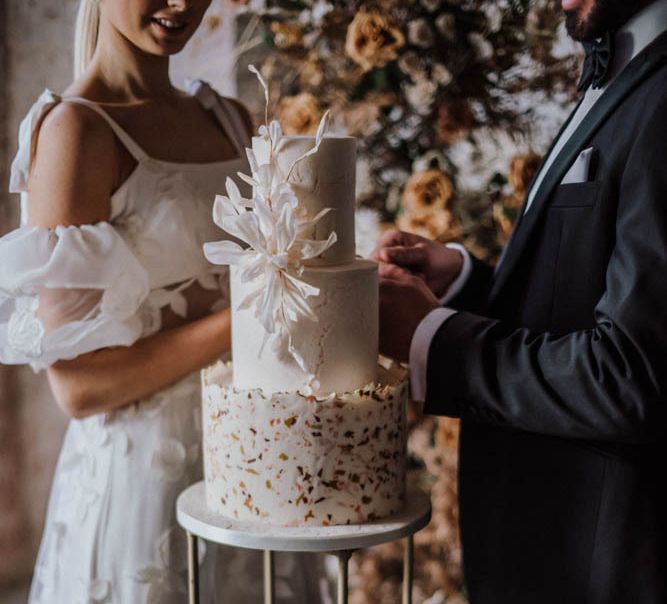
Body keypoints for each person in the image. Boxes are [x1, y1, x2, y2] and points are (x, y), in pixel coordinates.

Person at [0, 0, 324, 602]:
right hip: (144, 485)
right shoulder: (77, 130)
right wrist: (246, 321)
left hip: (256, 466)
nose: (182, 5)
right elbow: (80, 387)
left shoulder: (230, 117)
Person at [374, 0, 667, 602]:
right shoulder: (622, 62)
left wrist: (433, 338)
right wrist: (463, 281)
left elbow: (631, 374)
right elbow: (593, 302)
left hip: (603, 568)